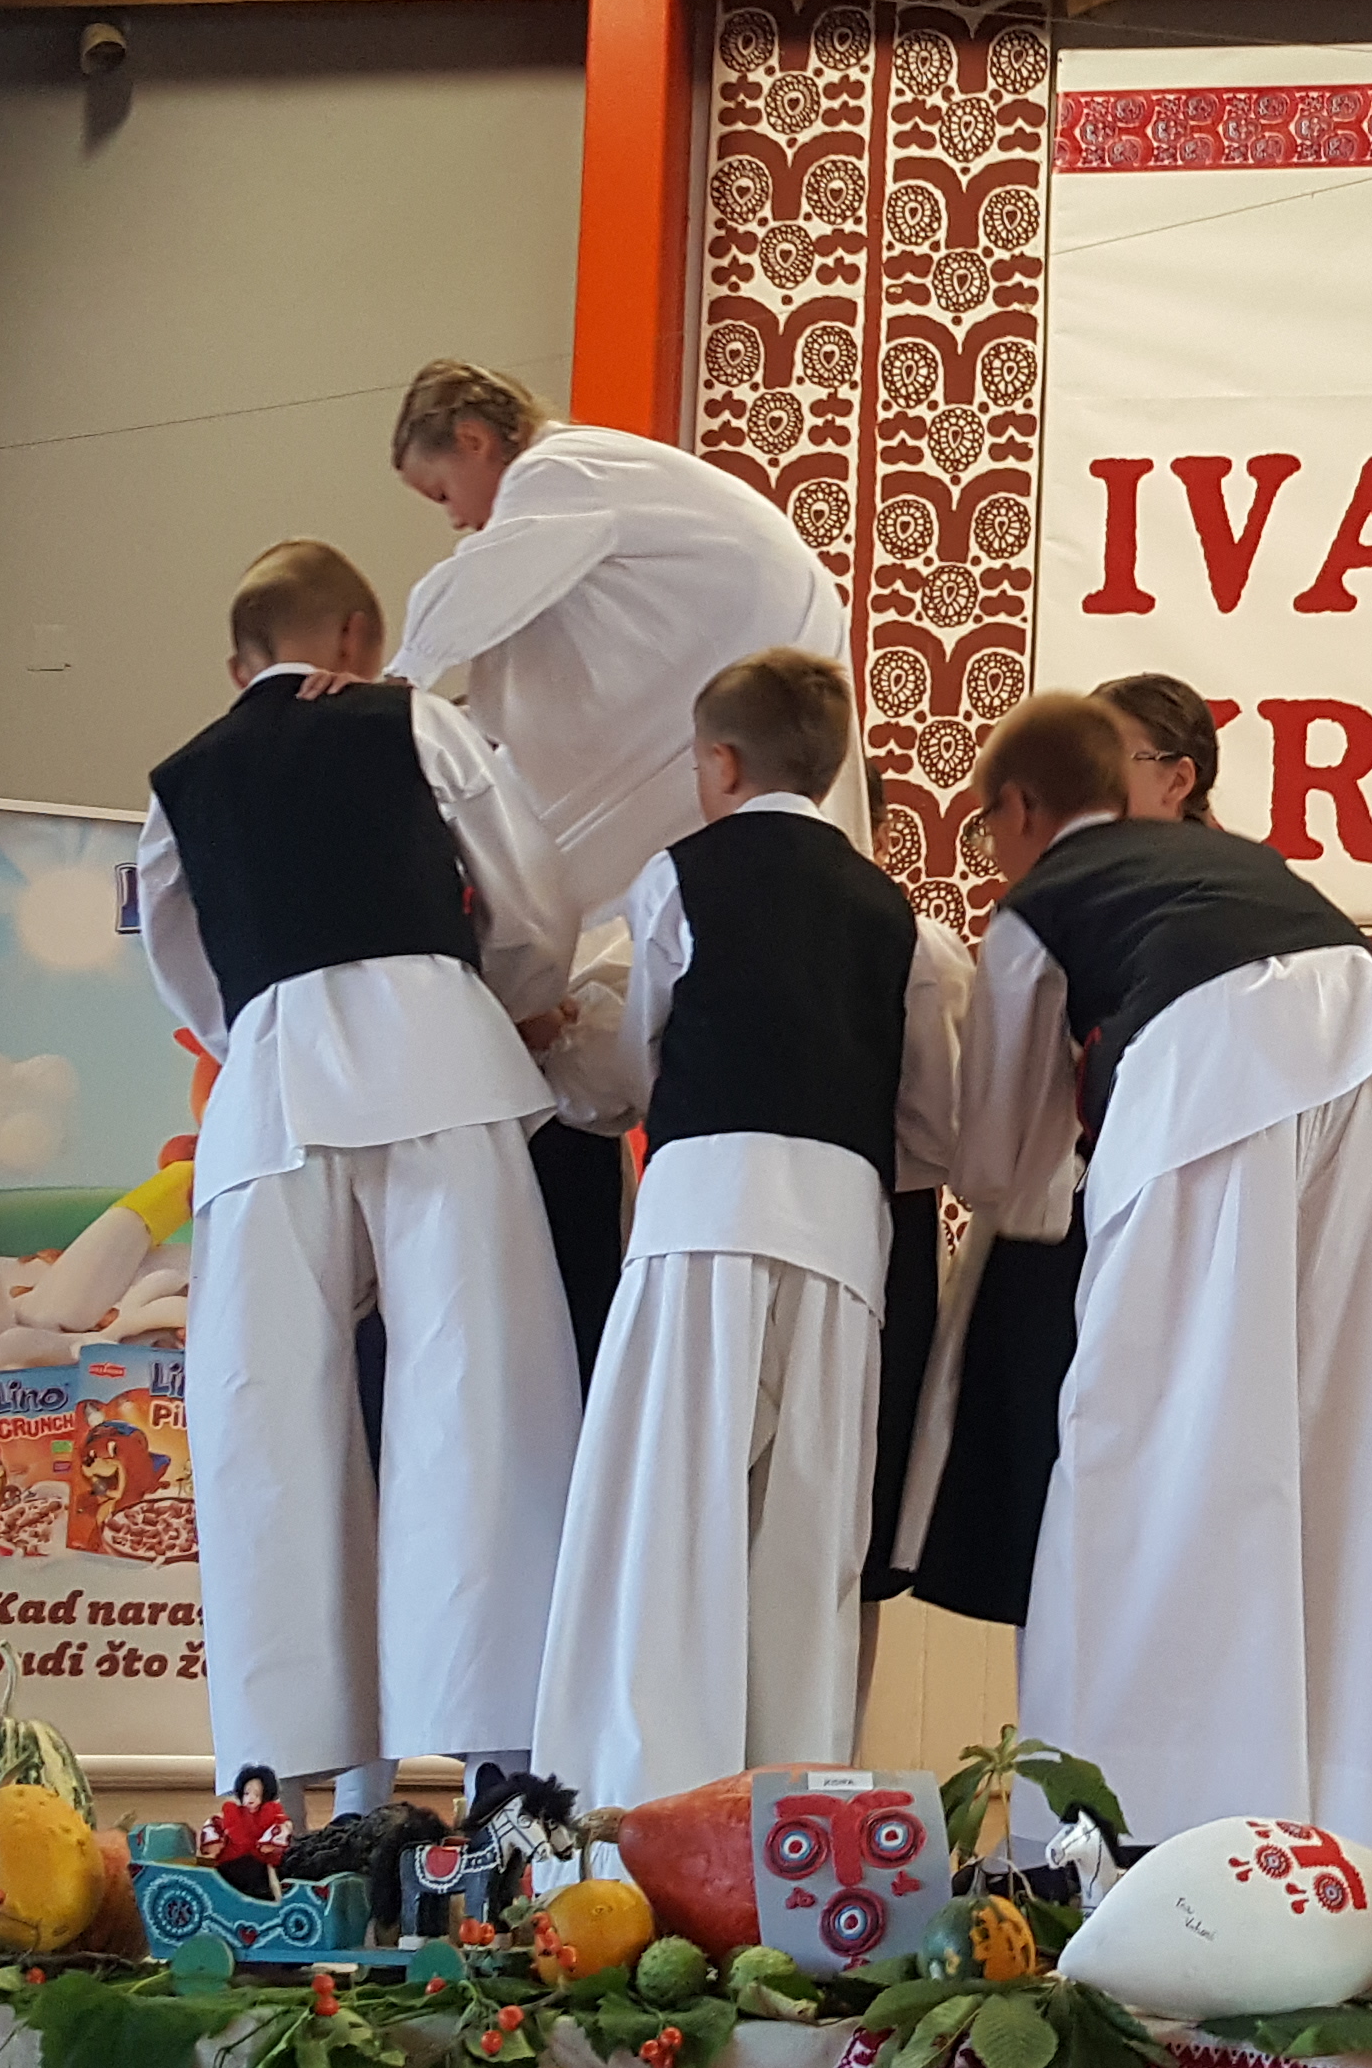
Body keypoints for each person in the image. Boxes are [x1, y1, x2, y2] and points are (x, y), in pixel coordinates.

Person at [947, 691, 1372, 1855]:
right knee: (1342, 1441)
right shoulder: (1235, 863)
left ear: (1018, 809)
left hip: (1210, 1068)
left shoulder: (1039, 901)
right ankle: (1337, 1833)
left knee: (1141, 1445)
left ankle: (1119, 1840)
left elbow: (994, 1159)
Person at [130, 540, 583, 1825]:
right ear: (355, 637)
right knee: (479, 1396)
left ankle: (271, 1775)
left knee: (265, 1419)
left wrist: (260, 1027)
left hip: (270, 1092)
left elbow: (178, 956)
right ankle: (497, 1762)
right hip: (435, 1058)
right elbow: (532, 895)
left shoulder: (180, 779)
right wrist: (501, 998)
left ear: (238, 661)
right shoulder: (413, 721)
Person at [531, 651, 971, 1804]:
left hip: (701, 1213)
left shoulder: (675, 879)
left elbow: (639, 1062)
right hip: (840, 1235)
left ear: (718, 764)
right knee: (807, 1535)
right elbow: (932, 1121)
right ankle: (792, 1813)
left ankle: (636, 1808)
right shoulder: (895, 917)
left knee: (669, 1510)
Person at [381, 359, 856, 1378]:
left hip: (723, 648)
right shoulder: (600, 479)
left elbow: (475, 592)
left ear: (476, 441)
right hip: (822, 1195)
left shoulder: (561, 474)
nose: (454, 520)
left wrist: (386, 690)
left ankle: (539, 1011)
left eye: (441, 492)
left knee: (540, 851)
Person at [887, 674, 1228, 1627]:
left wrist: (984, 1171)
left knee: (1116, 1533)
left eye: (1118, 762)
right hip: (1115, 1232)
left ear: (1179, 781)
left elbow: (994, 1147)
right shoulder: (1232, 893)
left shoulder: (1066, 903)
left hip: (1108, 1233)